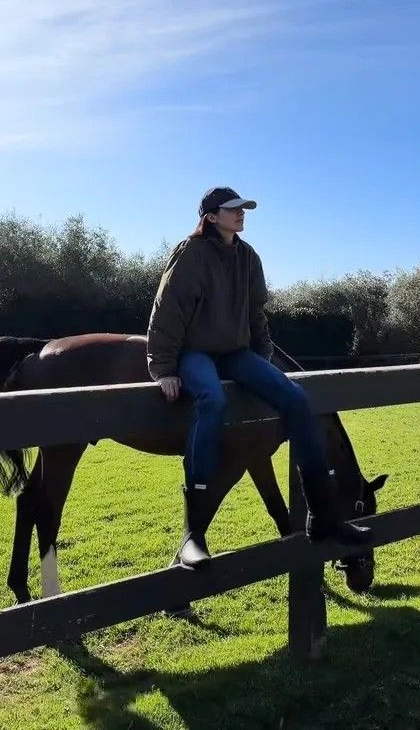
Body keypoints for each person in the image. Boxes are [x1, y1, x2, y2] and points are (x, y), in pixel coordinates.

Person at [147, 187, 371, 568]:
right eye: (233, 209)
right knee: (212, 400)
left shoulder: (248, 257)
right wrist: (164, 369)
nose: (241, 214)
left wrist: (263, 361)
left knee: (297, 399)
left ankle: (323, 517)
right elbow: (167, 310)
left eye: (243, 209)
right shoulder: (191, 253)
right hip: (195, 352)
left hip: (237, 353)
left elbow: (256, 315)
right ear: (211, 216)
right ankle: (193, 534)